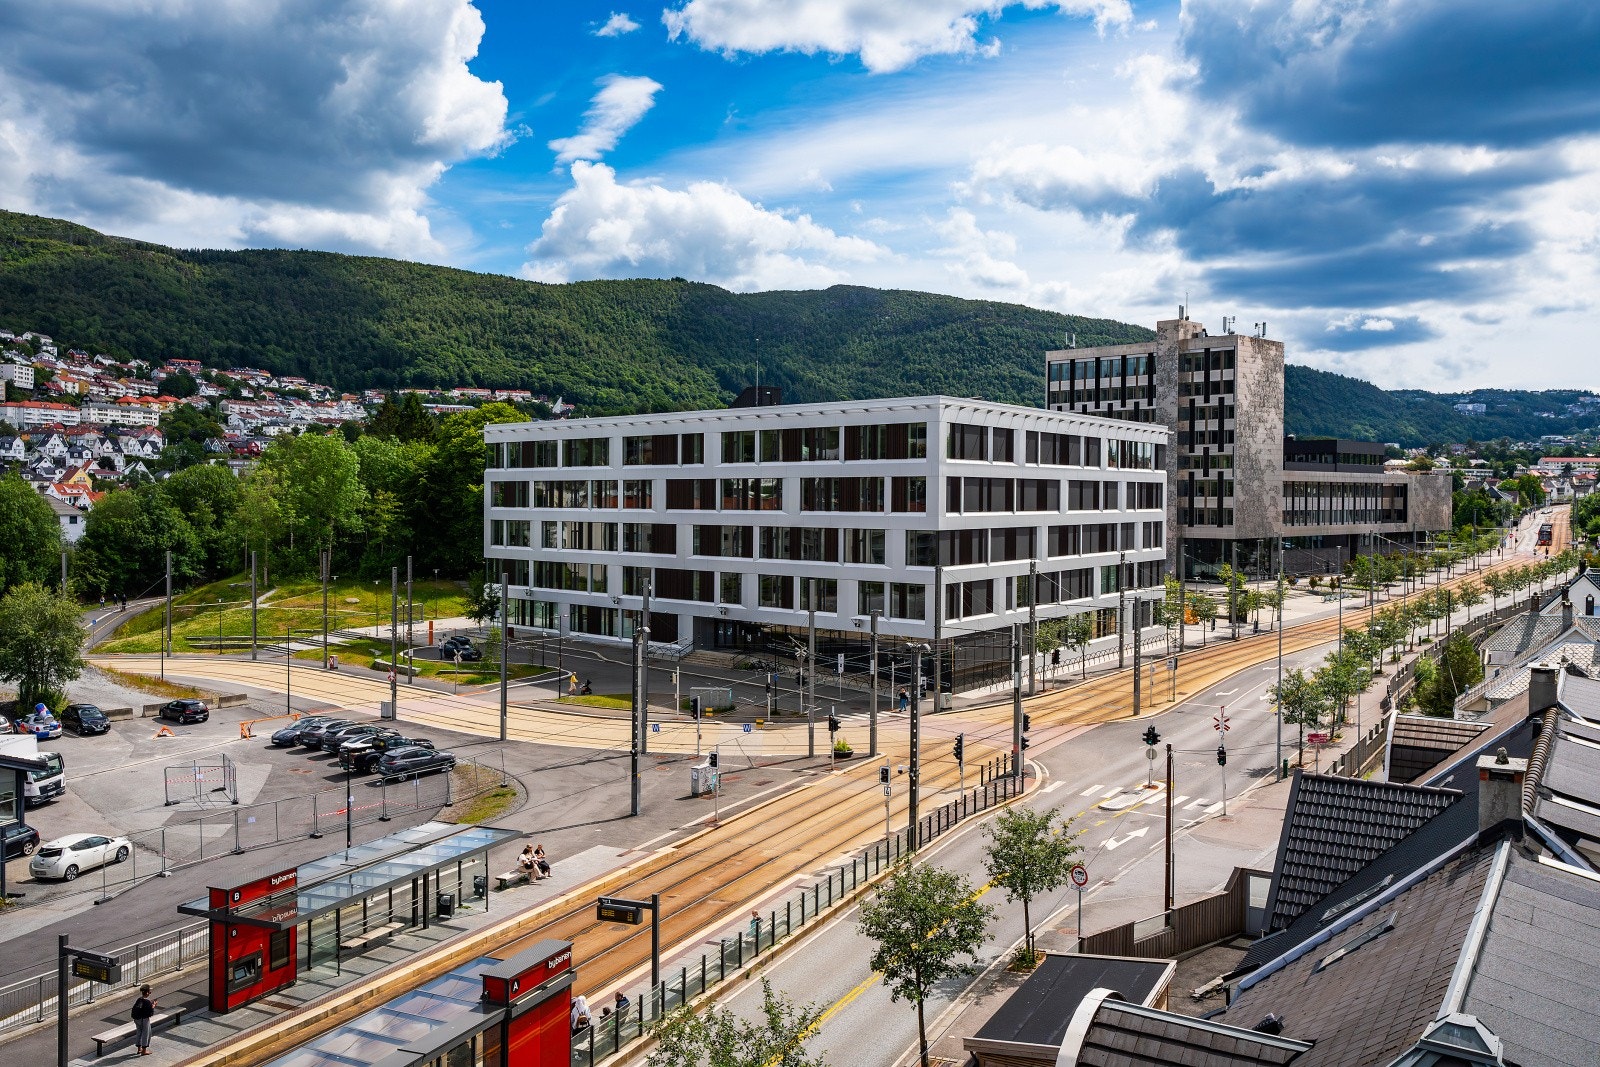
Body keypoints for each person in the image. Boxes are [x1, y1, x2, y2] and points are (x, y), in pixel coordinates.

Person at [131, 985, 156, 1055]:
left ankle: (139, 1049)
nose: (150, 993)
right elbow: (150, 1013)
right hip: (144, 1019)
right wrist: (153, 1006)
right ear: (147, 993)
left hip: (137, 1019)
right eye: (149, 991)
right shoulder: (148, 1002)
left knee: (139, 1032)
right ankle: (144, 1050)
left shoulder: (139, 999)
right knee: (146, 1033)